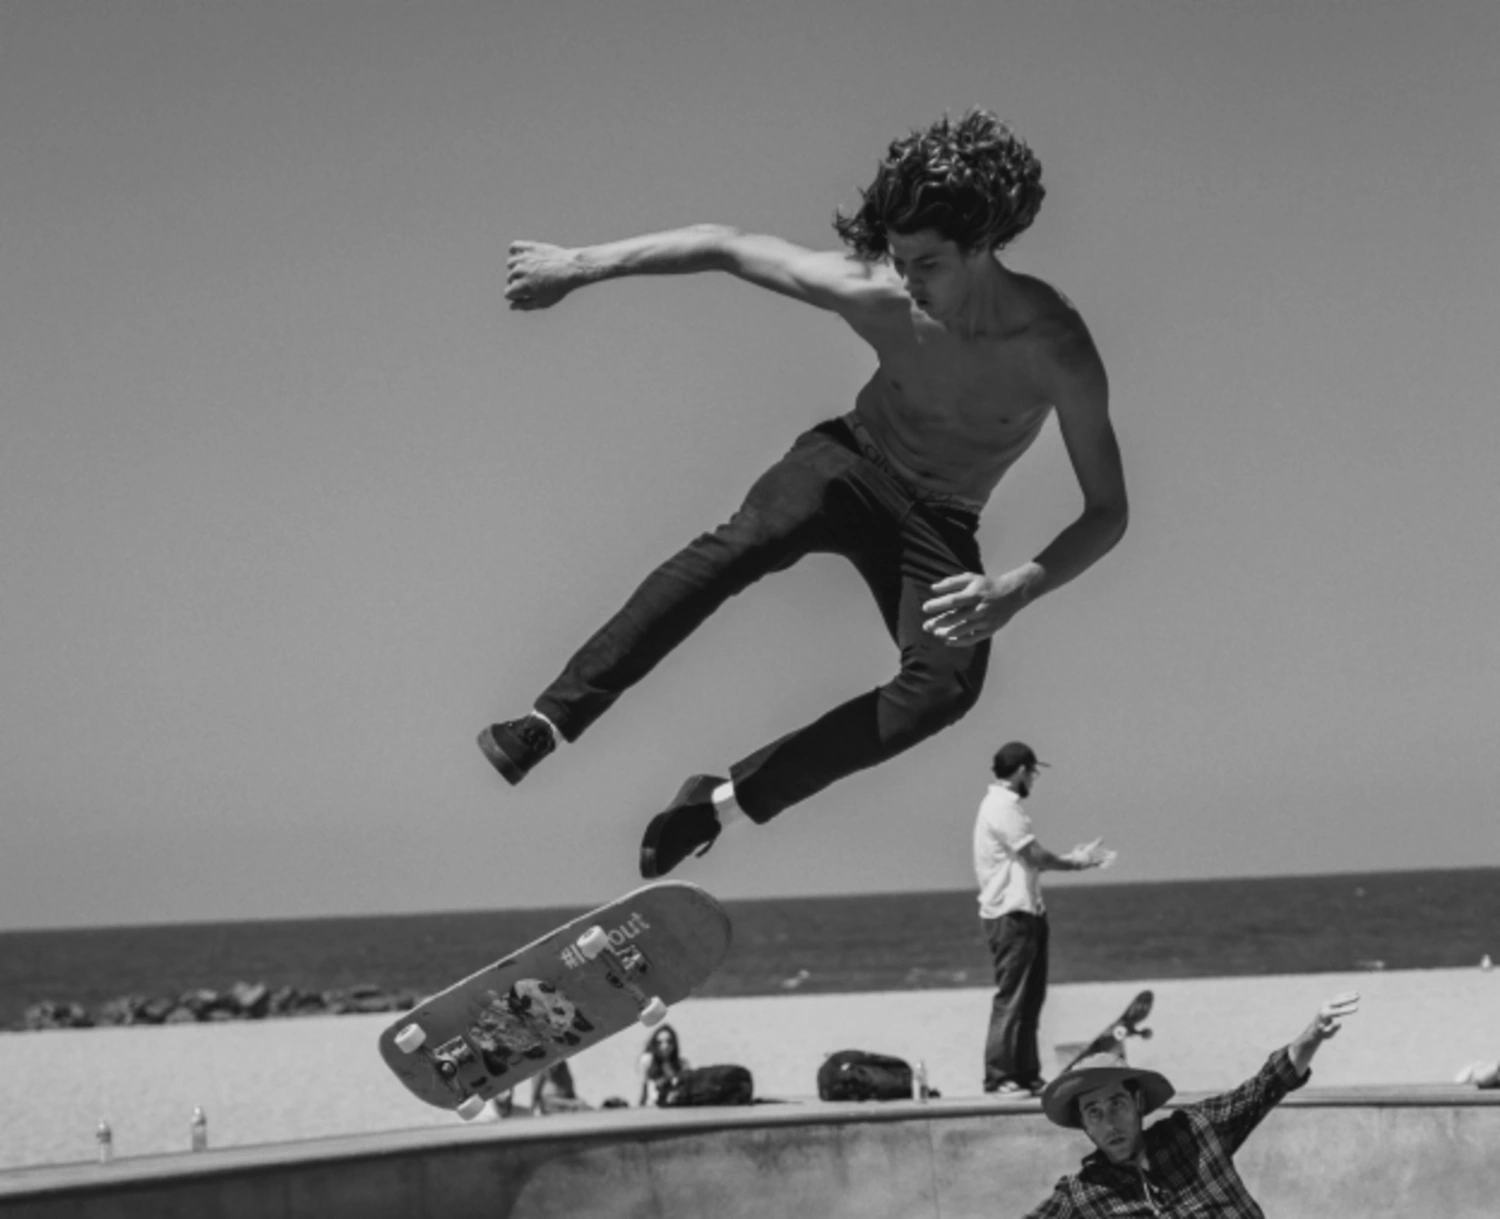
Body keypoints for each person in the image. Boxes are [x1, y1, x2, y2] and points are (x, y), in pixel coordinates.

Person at [480, 109, 1129, 879]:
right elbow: (724, 245)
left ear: (981, 245)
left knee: (943, 690)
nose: (909, 283)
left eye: (927, 264)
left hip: (942, 519)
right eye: (898, 261)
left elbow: (1108, 509)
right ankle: (547, 720)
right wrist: (575, 265)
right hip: (848, 464)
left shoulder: (1057, 348)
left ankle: (717, 804)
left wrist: (1018, 587)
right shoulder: (878, 294)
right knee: (746, 541)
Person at [1024, 992, 1361, 1218]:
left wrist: (1313, 1035)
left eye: (1117, 1104)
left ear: (1138, 1101)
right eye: (1094, 1113)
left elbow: (1266, 1086)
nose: (1109, 1123)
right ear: (1083, 1123)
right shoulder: (1083, 1194)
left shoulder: (1197, 1131)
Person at [976, 741, 1115, 1095]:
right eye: (1033, 773)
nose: (1033, 781)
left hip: (1028, 911)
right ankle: (998, 1076)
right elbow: (1034, 856)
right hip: (1011, 915)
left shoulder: (1006, 807)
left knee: (1030, 1000)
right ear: (1022, 770)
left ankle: (1025, 1073)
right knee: (1012, 999)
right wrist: (1077, 862)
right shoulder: (1002, 807)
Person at [637, 1023, 689, 1106]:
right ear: (654, 1044)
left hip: (676, 1107)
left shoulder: (682, 1063)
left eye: (669, 1041)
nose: (665, 1046)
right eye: (659, 1042)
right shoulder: (647, 1060)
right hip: (653, 1107)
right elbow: (644, 1090)